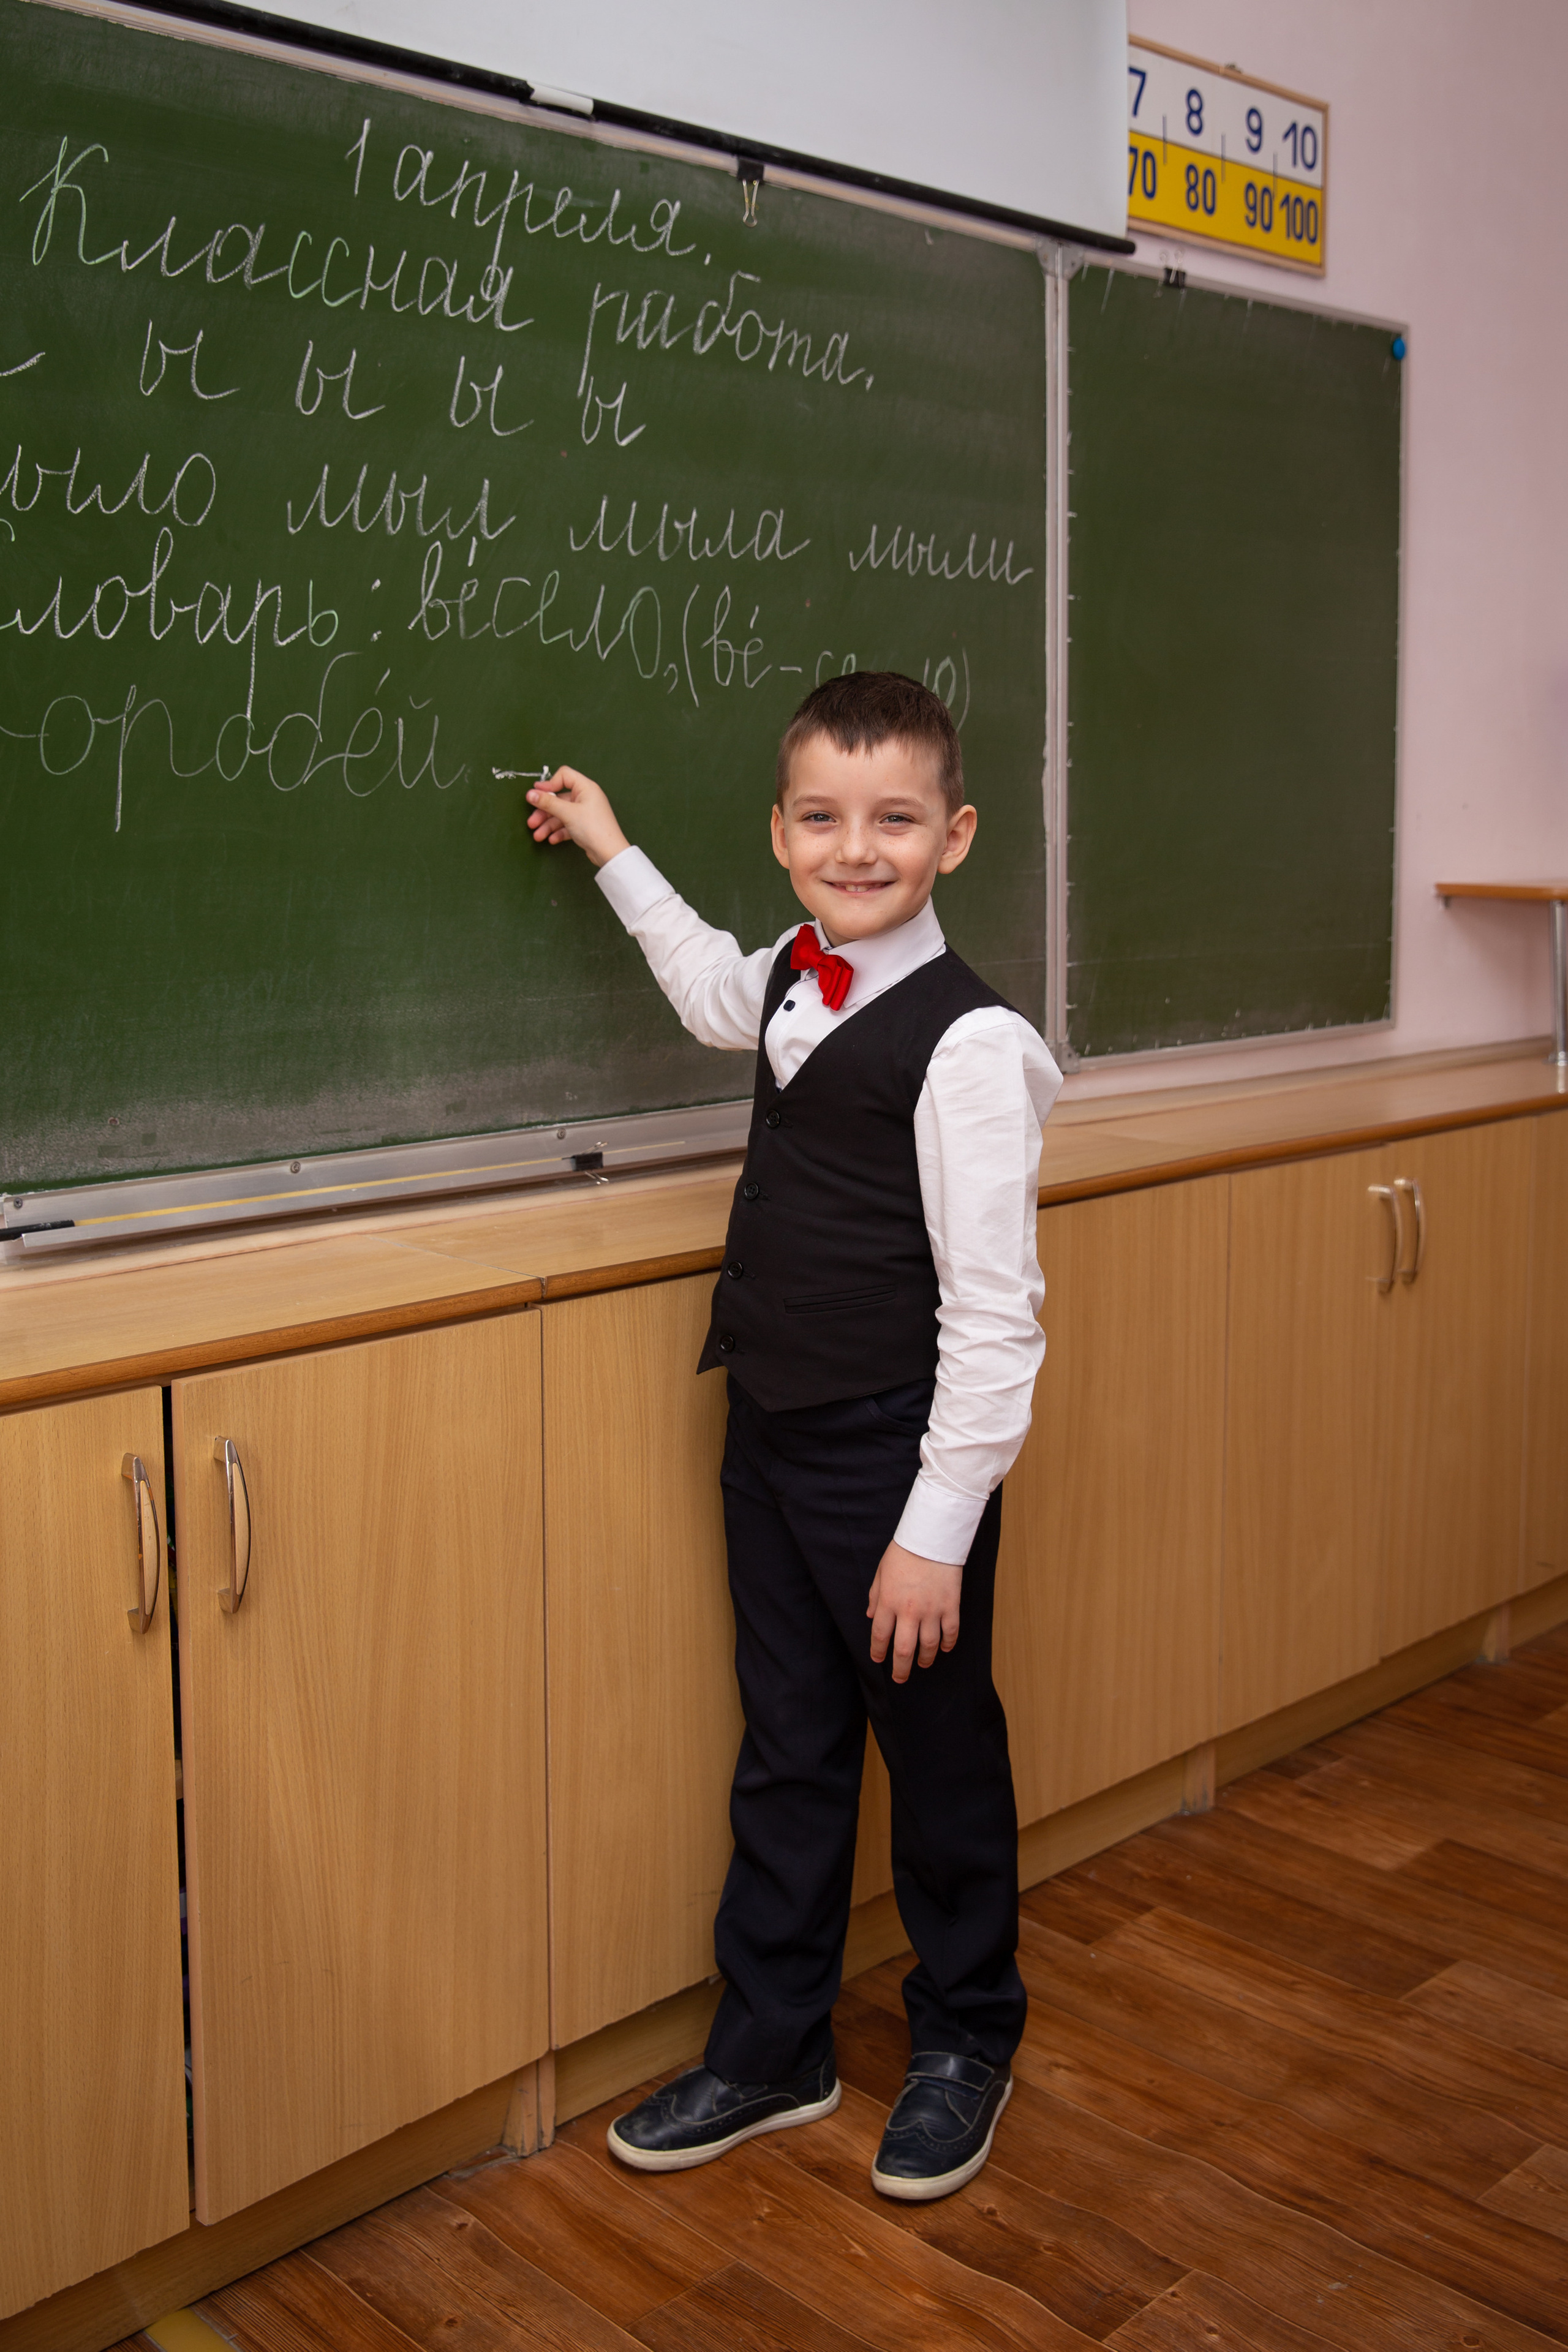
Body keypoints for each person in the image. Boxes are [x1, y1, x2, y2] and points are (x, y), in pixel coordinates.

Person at [526, 671, 1061, 2201]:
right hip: (765, 1426)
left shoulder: (970, 1048)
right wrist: (611, 846)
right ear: (779, 833)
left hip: (895, 1454)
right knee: (788, 1744)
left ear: (953, 835)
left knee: (937, 1758)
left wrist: (932, 1535)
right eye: (821, 818)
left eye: (892, 820)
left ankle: (966, 2037)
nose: (855, 848)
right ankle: (772, 2047)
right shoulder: (788, 976)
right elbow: (712, 986)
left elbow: (996, 1319)